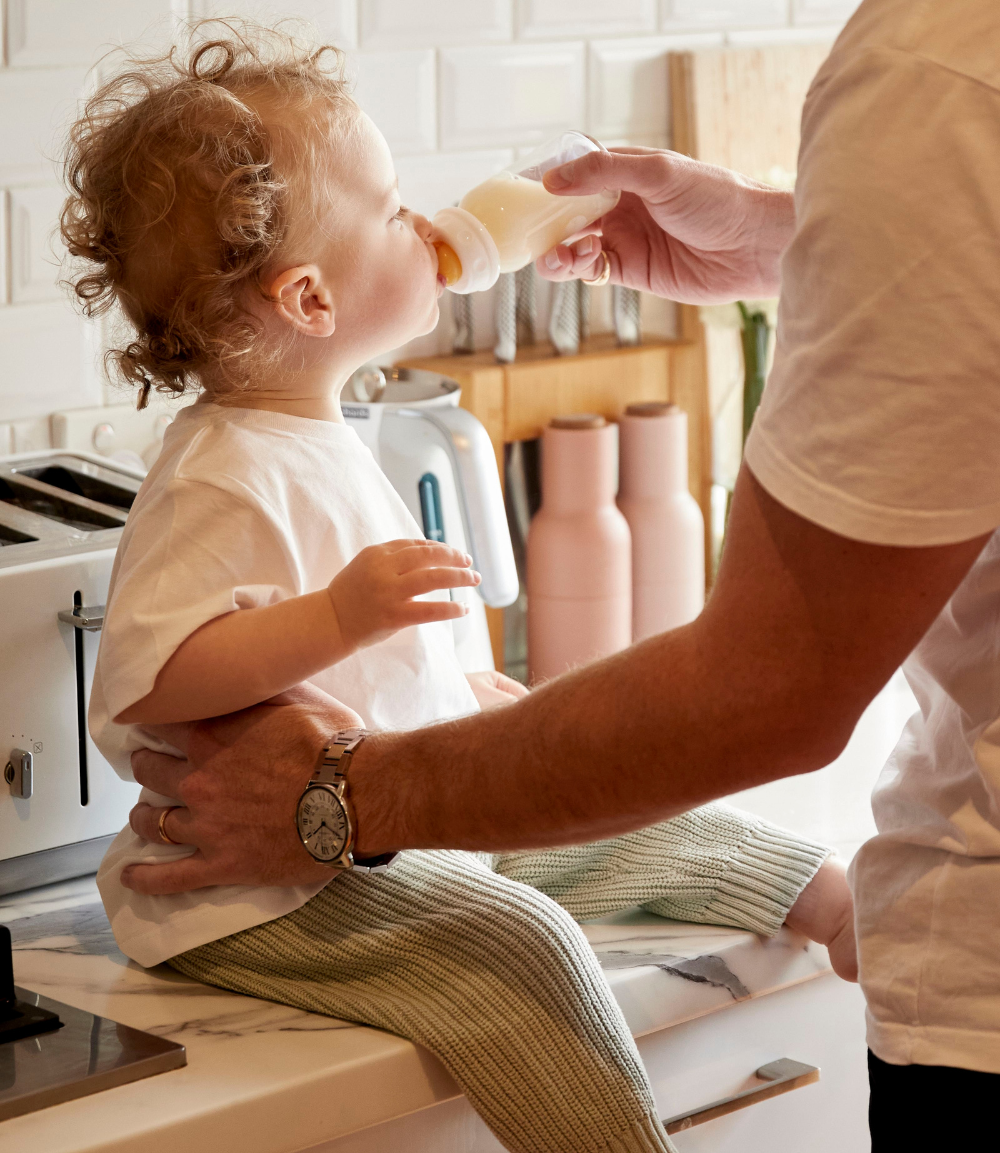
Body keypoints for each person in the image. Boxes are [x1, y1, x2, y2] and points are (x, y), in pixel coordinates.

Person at [120, 1, 1000, 1145]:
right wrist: (338, 619)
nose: (427, 222)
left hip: (355, 830)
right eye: (392, 212)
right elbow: (157, 670)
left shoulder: (330, 436)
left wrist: (475, 709)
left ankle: (822, 900)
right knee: (527, 945)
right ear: (310, 299)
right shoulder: (218, 470)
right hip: (263, 889)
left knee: (670, 824)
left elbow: (763, 696)